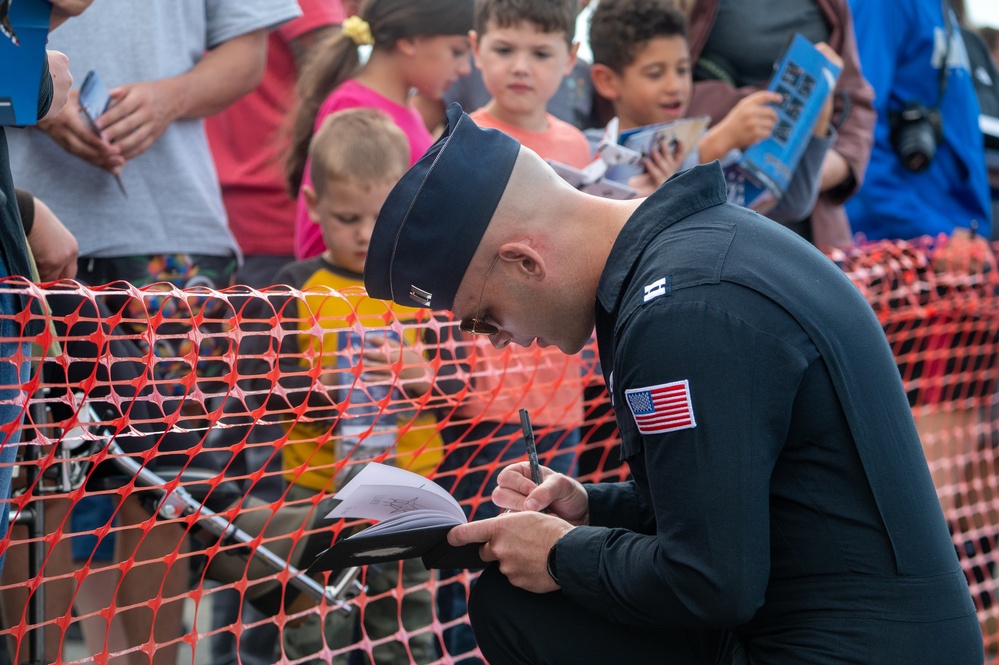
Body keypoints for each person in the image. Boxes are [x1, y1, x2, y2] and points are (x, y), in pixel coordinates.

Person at [361, 102, 985, 664]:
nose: (495, 340)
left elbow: (711, 581)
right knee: (524, 601)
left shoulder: (679, 311)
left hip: (843, 649)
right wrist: (589, 506)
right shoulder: (695, 256)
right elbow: (735, 501)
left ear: (525, 261)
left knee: (522, 606)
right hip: (852, 630)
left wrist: (557, 553)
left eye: (484, 316)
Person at [5, 2, 301, 663]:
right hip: (22, 222)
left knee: (164, 491)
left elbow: (246, 53)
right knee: (34, 484)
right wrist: (32, 91)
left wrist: (169, 98)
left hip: (170, 233)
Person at [239, 108, 443, 665]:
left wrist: (425, 377)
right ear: (313, 206)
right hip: (316, 494)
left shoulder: (422, 290)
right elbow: (262, 390)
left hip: (411, 493)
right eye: (348, 216)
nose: (363, 233)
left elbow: (461, 385)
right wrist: (321, 390)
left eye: (379, 217)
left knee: (404, 631)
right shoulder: (295, 289)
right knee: (308, 632)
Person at [430, 2, 588, 661]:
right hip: (480, 400)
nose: (520, 65)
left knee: (550, 551)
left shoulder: (580, 147)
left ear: (570, 61)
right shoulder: (463, 143)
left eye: (540, 52)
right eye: (504, 48)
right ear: (474, 47)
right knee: (472, 552)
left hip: (560, 397)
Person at [203, 5, 346, 662]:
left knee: (237, 471)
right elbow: (331, 64)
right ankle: (252, 647)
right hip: (270, 240)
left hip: (232, 230)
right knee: (264, 479)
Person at [588, 0, 837, 221]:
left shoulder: (720, 152)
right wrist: (715, 145)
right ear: (607, 81)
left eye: (683, 70)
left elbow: (792, 205)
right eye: (655, 74)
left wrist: (818, 113)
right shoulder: (589, 150)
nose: (675, 86)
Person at [284, 0, 474, 260]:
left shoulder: (406, 110)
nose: (465, 68)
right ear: (410, 41)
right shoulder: (355, 107)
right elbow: (326, 236)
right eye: (457, 51)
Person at [681, 0, 875, 251]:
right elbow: (654, 90)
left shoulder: (831, 7)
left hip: (804, 227)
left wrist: (818, 162)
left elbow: (856, 104)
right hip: (706, 215)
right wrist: (727, 133)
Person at [845, 0, 990, 240]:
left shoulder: (938, 7)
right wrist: (937, 232)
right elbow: (856, 133)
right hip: (902, 243)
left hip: (951, 237)